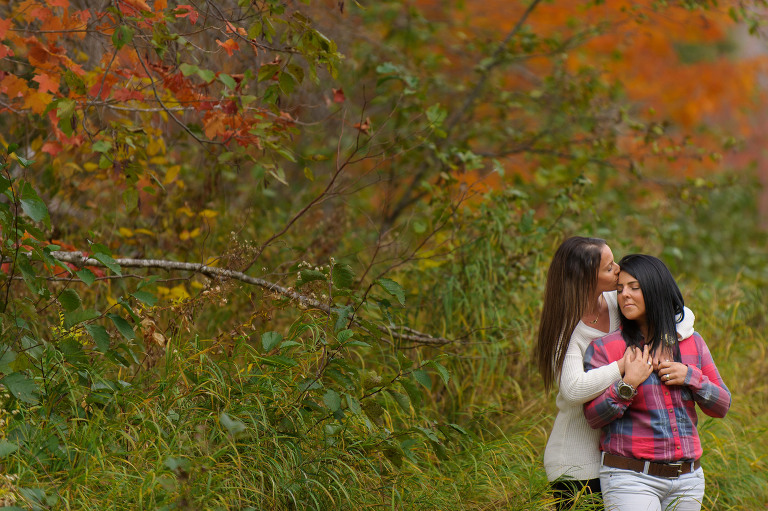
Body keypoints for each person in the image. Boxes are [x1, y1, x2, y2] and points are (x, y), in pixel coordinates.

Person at [535, 237, 695, 510]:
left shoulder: (615, 301)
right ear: (586, 279)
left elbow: (677, 312)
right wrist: (622, 366)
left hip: (621, 456)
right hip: (579, 461)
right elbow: (572, 389)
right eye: (609, 268)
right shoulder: (566, 329)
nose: (618, 269)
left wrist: (664, 340)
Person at [583, 254, 730, 511]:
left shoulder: (692, 343)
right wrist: (628, 384)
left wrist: (690, 377)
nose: (624, 295)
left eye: (634, 287)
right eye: (620, 290)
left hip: (688, 479)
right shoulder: (606, 348)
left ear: (655, 288)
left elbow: (722, 405)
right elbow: (593, 417)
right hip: (630, 477)